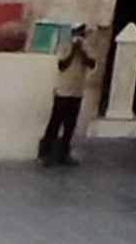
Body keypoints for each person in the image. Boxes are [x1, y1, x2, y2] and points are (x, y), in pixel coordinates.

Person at [37, 26, 95, 167]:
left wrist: (82, 50)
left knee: (70, 124)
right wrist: (73, 49)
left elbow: (92, 63)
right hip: (63, 90)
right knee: (55, 122)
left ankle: (64, 153)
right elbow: (62, 64)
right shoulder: (64, 45)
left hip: (77, 90)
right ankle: (46, 153)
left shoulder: (87, 47)